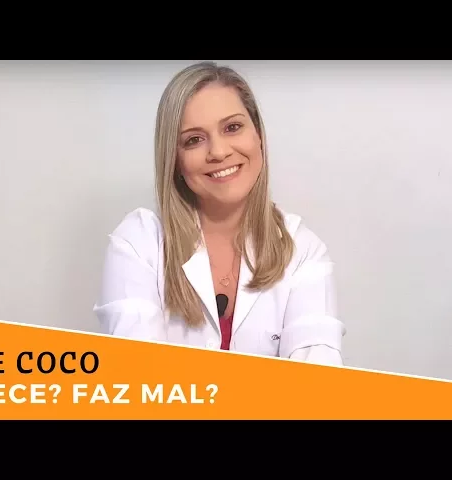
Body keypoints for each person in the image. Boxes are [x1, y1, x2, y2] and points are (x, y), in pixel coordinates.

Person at [93, 61, 345, 365]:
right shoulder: (138, 242)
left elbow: (319, 384)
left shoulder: (304, 251)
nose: (219, 151)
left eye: (232, 128)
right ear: (175, 160)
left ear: (259, 136)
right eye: (194, 140)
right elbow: (138, 376)